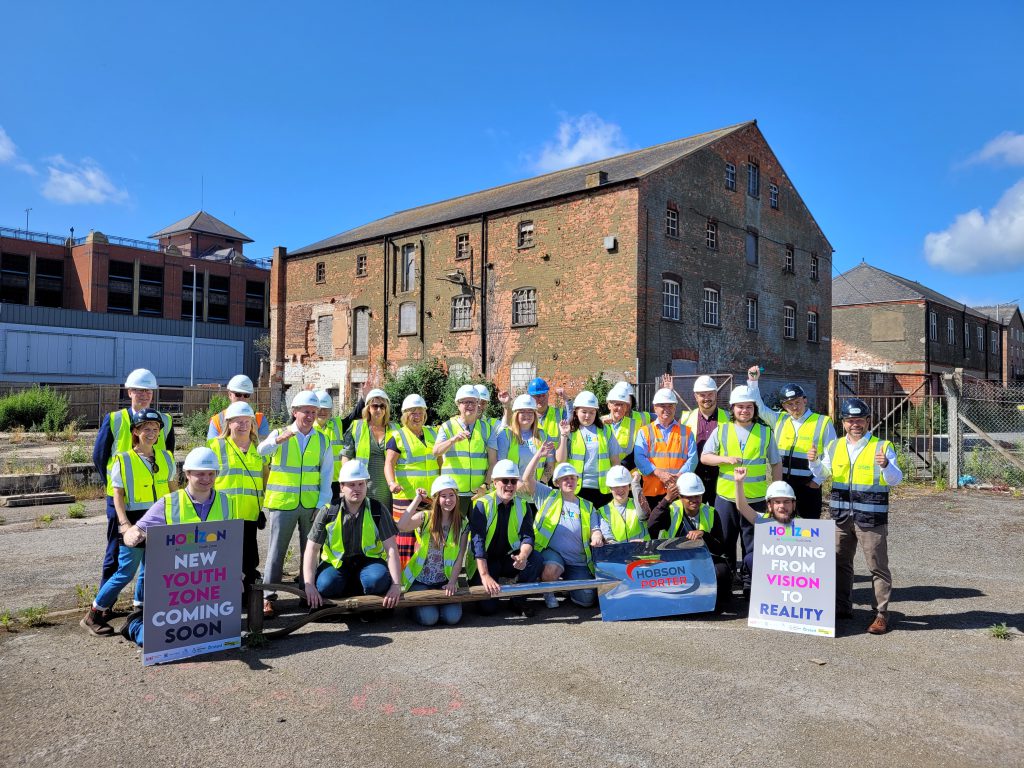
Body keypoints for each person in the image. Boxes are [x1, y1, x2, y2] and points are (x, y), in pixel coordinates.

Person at [117, 447, 235, 646]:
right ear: (187, 474)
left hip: (206, 583)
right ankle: (136, 624)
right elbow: (137, 529)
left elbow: (229, 544)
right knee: (156, 639)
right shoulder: (170, 503)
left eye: (210, 473)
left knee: (208, 634)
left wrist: (235, 573)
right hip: (175, 584)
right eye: (200, 474)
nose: (206, 478)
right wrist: (132, 535)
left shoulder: (226, 502)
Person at [809, 397, 902, 635]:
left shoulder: (882, 447)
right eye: (850, 420)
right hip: (841, 517)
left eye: (859, 420)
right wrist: (814, 463)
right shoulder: (835, 446)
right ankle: (842, 607)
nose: (855, 425)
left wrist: (885, 466)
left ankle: (881, 614)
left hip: (870, 519)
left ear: (868, 421)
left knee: (877, 566)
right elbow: (823, 475)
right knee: (840, 563)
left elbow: (895, 479)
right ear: (844, 423)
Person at [81, 409, 176, 635]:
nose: (151, 433)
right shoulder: (122, 460)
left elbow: (174, 492)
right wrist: (124, 525)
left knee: (149, 570)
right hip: (135, 522)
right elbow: (118, 496)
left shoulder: (166, 457)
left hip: (161, 520)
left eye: (155, 429)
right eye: (146, 429)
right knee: (125, 571)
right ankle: (93, 614)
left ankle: (139, 613)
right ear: (135, 431)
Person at [92, 368, 174, 601]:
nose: (144, 394)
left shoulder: (165, 421)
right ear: (129, 392)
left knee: (152, 557)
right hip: (121, 499)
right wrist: (116, 484)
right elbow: (99, 456)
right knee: (116, 554)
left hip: (155, 500)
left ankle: (142, 604)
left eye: (148, 390)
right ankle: (105, 605)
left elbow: (167, 455)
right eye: (138, 390)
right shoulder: (116, 418)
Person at [257, 390, 334, 617]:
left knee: (310, 551)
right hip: (283, 503)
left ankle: (307, 595)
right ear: (294, 412)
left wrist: (323, 504)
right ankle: (267, 597)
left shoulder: (322, 439)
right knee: (276, 552)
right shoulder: (281, 434)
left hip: (311, 505)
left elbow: (326, 474)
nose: (310, 416)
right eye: (305, 411)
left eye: (314, 412)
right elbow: (261, 451)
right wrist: (277, 440)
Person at [700, 385, 781, 596]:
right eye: (740, 407)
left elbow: (776, 463)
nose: (744, 410)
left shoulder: (765, 432)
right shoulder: (722, 430)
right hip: (726, 497)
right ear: (732, 409)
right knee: (725, 542)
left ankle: (749, 585)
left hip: (755, 498)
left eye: (748, 407)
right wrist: (725, 459)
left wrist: (776, 493)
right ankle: (726, 584)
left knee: (752, 545)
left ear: (754, 409)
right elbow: (705, 457)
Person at [302, 460, 403, 610]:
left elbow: (391, 549)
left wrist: (396, 585)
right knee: (325, 586)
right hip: (337, 563)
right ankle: (350, 588)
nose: (357, 489)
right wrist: (309, 585)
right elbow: (311, 549)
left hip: (369, 563)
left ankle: (366, 601)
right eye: (352, 484)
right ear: (342, 486)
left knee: (377, 581)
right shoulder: (328, 511)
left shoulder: (377, 509)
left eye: (361, 484)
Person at [745, 365, 836, 519]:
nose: (794, 407)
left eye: (797, 402)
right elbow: (758, 407)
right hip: (783, 485)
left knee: (808, 531)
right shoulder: (779, 419)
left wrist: (817, 481)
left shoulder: (823, 422)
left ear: (805, 400)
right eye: (789, 404)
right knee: (783, 528)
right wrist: (753, 382)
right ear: (784, 406)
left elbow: (832, 455)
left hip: (808, 486)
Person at [467, 457, 544, 616]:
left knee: (535, 558)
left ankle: (518, 600)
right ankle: (485, 585)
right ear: (494, 482)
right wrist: (485, 576)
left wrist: (522, 556)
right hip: (485, 562)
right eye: (505, 480)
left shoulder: (523, 506)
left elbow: (528, 537)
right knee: (488, 609)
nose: (509, 485)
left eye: (513, 481)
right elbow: (478, 544)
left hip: (508, 558)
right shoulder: (482, 505)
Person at [522, 460, 604, 609]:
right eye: (565, 478)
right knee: (551, 570)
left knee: (586, 599)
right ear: (557, 482)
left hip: (577, 561)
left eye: (573, 478)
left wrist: (597, 535)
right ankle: (548, 591)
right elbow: (527, 479)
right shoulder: (547, 495)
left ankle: (565, 587)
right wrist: (539, 456)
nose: (569, 481)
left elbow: (595, 529)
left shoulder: (587, 505)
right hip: (552, 554)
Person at [647, 472, 732, 612]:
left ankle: (717, 605)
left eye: (697, 496)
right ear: (680, 497)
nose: (694, 500)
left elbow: (720, 547)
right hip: (674, 561)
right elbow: (651, 525)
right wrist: (666, 500)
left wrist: (704, 535)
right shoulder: (671, 510)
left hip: (702, 560)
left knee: (722, 570)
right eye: (689, 497)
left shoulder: (711, 512)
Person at [209, 400, 268, 600]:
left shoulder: (259, 449)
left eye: (247, 421)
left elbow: (265, 478)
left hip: (250, 514)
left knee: (249, 560)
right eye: (237, 421)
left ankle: (247, 601)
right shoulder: (216, 446)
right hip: (223, 515)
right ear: (228, 423)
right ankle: (223, 598)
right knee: (224, 560)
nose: (243, 425)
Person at [397, 475, 470, 626]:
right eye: (443, 496)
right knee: (429, 619)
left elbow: (459, 557)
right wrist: (417, 499)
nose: (448, 500)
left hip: (444, 582)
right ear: (436, 498)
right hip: (420, 580)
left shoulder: (462, 522)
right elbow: (402, 525)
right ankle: (416, 607)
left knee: (452, 618)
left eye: (451, 495)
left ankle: (431, 605)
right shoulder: (425, 517)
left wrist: (452, 582)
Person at [384, 393, 440, 567]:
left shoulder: (433, 433)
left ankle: (427, 572)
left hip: (430, 496)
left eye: (420, 412)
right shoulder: (397, 436)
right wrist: (392, 483)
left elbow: (440, 461)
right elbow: (389, 464)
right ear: (405, 415)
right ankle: (402, 576)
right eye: (412, 413)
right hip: (406, 497)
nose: (417, 417)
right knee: (405, 537)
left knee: (430, 536)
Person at [633, 387, 697, 531]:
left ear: (675, 407)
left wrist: (678, 477)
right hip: (652, 492)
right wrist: (660, 474)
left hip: (678, 492)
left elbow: (693, 459)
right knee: (654, 532)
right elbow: (639, 458)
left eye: (670, 406)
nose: (666, 409)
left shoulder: (686, 432)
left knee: (677, 532)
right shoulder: (645, 432)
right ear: (655, 408)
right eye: (662, 406)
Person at [434, 384, 498, 517]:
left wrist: (485, 485)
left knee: (478, 535)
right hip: (454, 494)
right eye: (466, 402)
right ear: (458, 404)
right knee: (454, 534)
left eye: (474, 402)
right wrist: (453, 440)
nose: (470, 405)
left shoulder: (487, 428)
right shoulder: (447, 426)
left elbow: (493, 462)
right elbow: (436, 451)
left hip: (478, 493)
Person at [555, 389, 621, 508]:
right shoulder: (570, 431)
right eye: (584, 412)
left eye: (592, 412)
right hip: (576, 489)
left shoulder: (606, 430)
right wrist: (564, 435)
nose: (587, 416)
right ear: (576, 412)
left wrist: (617, 483)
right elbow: (560, 460)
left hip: (602, 490)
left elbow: (615, 461)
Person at [340, 388, 397, 508]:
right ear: (368, 408)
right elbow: (346, 455)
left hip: (389, 486)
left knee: (386, 522)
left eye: (382, 406)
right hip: (363, 485)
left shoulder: (395, 428)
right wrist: (347, 480)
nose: (378, 409)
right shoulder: (357, 426)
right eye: (375, 406)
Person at [678, 375, 728, 504]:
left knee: (717, 517)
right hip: (694, 476)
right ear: (696, 397)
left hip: (721, 477)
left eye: (710, 394)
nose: (706, 398)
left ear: (716, 394)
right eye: (702, 395)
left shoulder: (729, 419)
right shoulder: (685, 419)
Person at [314, 388, 367, 502]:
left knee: (332, 512)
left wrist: (363, 398)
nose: (323, 412)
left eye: (326, 409)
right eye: (320, 409)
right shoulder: (307, 428)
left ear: (331, 410)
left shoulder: (338, 424)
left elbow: (355, 415)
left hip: (334, 480)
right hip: (314, 478)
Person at [497, 394, 552, 483]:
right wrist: (517, 485)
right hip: (512, 489)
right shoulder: (505, 435)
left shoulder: (544, 436)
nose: (527, 415)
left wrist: (541, 485)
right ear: (516, 414)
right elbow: (500, 466)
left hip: (536, 489)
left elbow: (550, 465)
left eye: (530, 411)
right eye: (522, 411)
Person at [601, 381, 653, 471]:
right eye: (616, 404)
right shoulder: (600, 422)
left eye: (623, 404)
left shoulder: (637, 422)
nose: (620, 408)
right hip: (604, 474)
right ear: (609, 405)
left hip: (629, 473)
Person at [596, 465, 650, 543]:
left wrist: (635, 484)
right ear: (610, 488)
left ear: (629, 486)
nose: (620, 490)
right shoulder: (603, 512)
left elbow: (644, 515)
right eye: (616, 486)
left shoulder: (637, 503)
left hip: (643, 551)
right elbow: (609, 538)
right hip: (620, 553)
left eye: (624, 486)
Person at [207, 374, 270, 440]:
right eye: (238, 394)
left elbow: (264, 447)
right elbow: (212, 447)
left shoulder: (259, 419)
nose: (242, 398)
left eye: (246, 395)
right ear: (229, 394)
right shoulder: (217, 421)